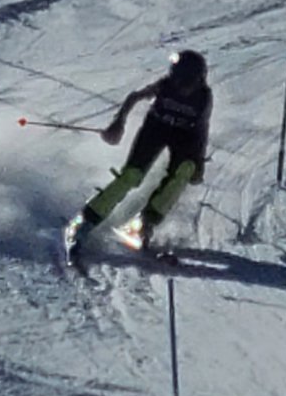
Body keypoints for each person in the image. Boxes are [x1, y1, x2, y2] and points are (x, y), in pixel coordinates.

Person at [68, 51, 212, 259]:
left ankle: (146, 222)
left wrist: (198, 163)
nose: (182, 87)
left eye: (187, 83)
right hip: (156, 128)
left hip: (185, 135)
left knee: (184, 171)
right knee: (132, 175)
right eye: (178, 81)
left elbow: (201, 130)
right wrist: (118, 122)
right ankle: (86, 220)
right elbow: (134, 97)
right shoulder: (165, 85)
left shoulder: (203, 97)